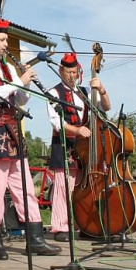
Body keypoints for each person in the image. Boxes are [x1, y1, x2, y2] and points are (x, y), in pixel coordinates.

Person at [0, 18, 61, 260]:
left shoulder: (8, 67)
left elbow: (17, 100)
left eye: (6, 39)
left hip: (13, 130)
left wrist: (25, 85)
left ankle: (36, 239)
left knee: (25, 187)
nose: (6, 44)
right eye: (2, 39)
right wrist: (18, 82)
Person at [46, 52, 111, 242]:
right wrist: (77, 129)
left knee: (86, 187)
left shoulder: (85, 92)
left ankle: (86, 224)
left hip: (85, 148)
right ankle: (60, 227)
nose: (72, 76)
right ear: (60, 71)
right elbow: (57, 122)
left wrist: (102, 89)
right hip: (65, 144)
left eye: (74, 72)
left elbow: (106, 107)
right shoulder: (53, 92)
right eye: (68, 72)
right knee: (63, 187)